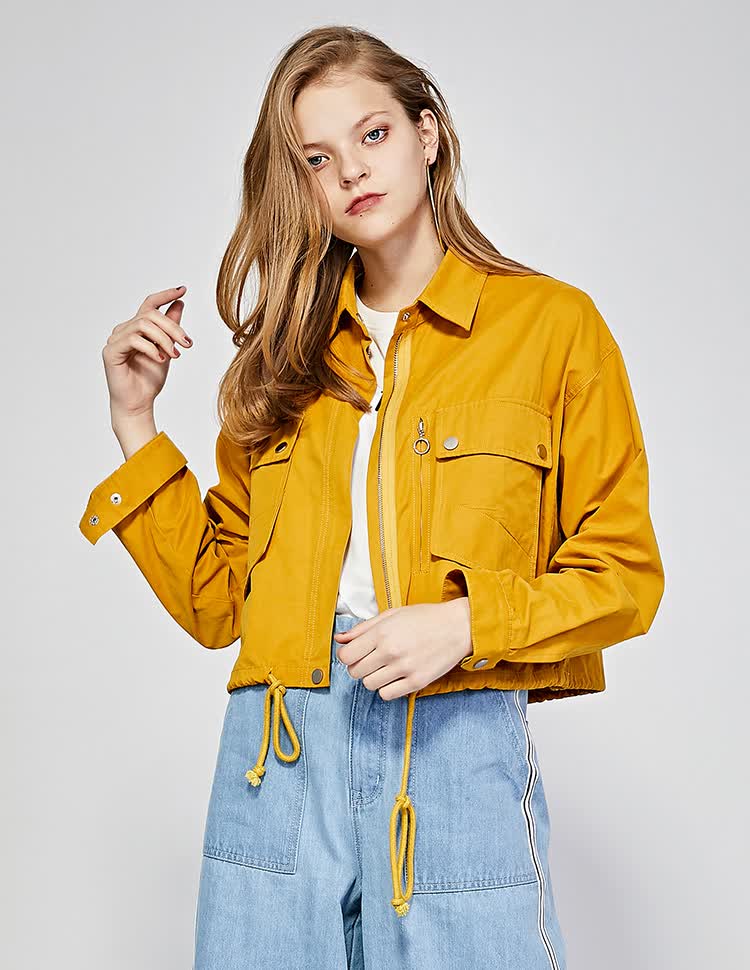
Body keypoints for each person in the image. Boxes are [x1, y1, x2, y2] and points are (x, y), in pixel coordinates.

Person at [78, 24, 665, 970]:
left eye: (373, 134)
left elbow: (625, 576)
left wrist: (465, 625)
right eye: (317, 158)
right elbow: (216, 600)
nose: (350, 169)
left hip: (454, 738)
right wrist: (136, 424)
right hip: (279, 752)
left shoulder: (551, 326)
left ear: (427, 133)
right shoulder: (282, 358)